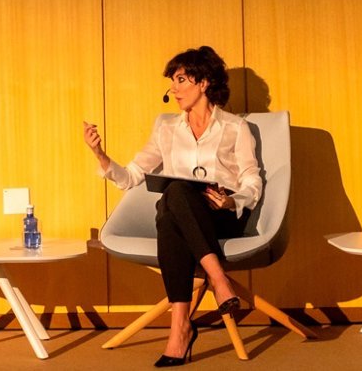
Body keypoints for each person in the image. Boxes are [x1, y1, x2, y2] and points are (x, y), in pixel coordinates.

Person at [83, 46, 262, 367]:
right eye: (172, 82)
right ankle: (216, 282)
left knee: (171, 206)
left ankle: (181, 328)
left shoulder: (236, 128)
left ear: (203, 82)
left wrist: (232, 200)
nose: (173, 89)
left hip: (222, 216)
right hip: (182, 217)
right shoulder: (166, 129)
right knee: (174, 199)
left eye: (181, 80)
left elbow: (252, 180)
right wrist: (100, 155)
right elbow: (131, 176)